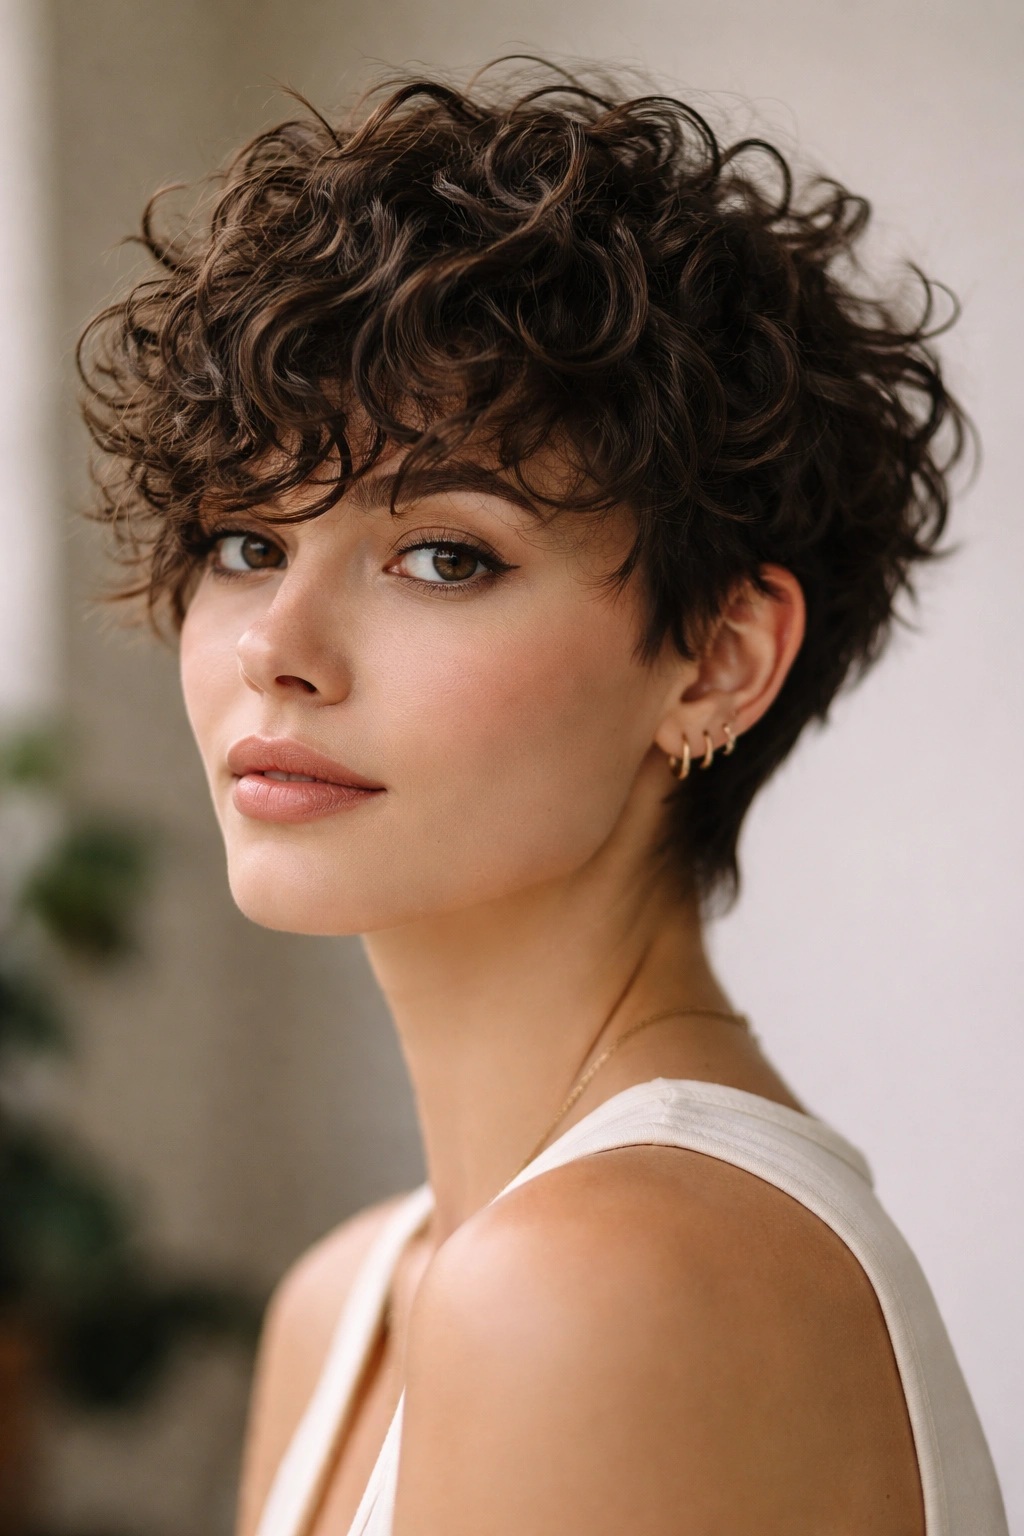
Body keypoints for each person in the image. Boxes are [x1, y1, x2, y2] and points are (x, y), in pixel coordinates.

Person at [78, 65, 1007, 1536]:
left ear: (718, 658)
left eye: (444, 556)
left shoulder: (604, 1284)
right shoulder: (348, 1300)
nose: (277, 650)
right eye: (247, 542)